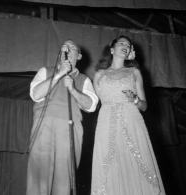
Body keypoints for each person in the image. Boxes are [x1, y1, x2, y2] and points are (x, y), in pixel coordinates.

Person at [90, 35, 166, 195]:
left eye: (129, 45)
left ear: (130, 51)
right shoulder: (99, 75)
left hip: (132, 119)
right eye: (122, 43)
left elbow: (144, 106)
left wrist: (136, 99)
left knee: (137, 161)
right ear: (112, 49)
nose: (126, 45)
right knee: (108, 164)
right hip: (106, 122)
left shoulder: (134, 72)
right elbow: (95, 103)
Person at [26, 40, 98, 195]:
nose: (67, 48)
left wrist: (73, 89)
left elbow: (91, 105)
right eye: (64, 47)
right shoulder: (45, 71)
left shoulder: (84, 79)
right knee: (39, 178)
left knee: (64, 181)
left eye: (72, 47)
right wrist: (58, 74)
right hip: (44, 126)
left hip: (70, 129)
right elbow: (35, 94)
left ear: (79, 56)